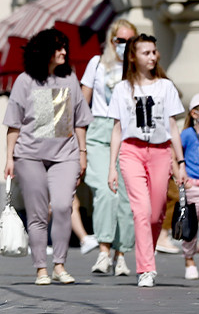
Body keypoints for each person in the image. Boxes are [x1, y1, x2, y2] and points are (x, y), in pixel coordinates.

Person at [3, 28, 92, 286]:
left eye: (65, 47)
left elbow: (80, 121)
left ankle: (60, 265)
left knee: (63, 206)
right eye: (58, 48)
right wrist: (9, 158)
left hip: (65, 155)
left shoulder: (70, 79)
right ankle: (41, 267)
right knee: (38, 213)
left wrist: (82, 153)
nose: (64, 52)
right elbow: (14, 124)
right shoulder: (25, 81)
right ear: (44, 52)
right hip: (29, 157)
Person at [108, 33, 187, 287]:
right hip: (131, 151)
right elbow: (117, 129)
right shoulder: (122, 89)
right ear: (133, 57)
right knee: (141, 211)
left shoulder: (166, 86)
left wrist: (180, 163)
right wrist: (112, 167)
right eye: (146, 52)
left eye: (154, 52)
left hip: (161, 153)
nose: (152, 57)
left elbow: (173, 127)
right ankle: (146, 268)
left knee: (156, 214)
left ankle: (146, 252)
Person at [80, 19, 137, 276]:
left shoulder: (137, 68)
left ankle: (121, 253)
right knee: (106, 190)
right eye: (120, 40)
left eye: (130, 41)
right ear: (111, 40)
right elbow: (84, 102)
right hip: (100, 130)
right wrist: (77, 140)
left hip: (128, 132)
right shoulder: (97, 63)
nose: (125, 46)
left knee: (126, 197)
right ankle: (103, 250)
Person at [180, 94, 199, 280]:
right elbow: (177, 155)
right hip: (192, 187)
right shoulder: (187, 135)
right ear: (194, 113)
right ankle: (189, 260)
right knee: (190, 227)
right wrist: (180, 175)